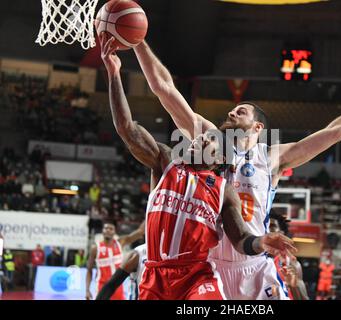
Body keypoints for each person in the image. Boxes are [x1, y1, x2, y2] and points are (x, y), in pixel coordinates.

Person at [132, 39, 341, 299]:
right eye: (232, 111)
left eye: (241, 111)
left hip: (254, 266)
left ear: (258, 127)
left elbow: (335, 131)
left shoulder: (272, 157)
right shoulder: (210, 139)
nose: (231, 113)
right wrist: (139, 42)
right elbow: (164, 89)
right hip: (209, 267)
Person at [100, 34, 296, 300]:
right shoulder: (167, 161)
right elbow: (127, 128)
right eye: (202, 136)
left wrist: (262, 241)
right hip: (155, 274)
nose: (201, 137)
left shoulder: (224, 190)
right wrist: (114, 73)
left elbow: (240, 239)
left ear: (219, 159)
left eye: (209, 140)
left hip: (197, 277)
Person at [85, 220, 145, 300]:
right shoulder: (95, 248)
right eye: (106, 228)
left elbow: (140, 232)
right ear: (102, 230)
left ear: (114, 231)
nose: (108, 230)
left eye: (111, 229)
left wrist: (149, 214)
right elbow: (89, 270)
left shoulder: (120, 243)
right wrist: (87, 290)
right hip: (102, 288)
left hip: (118, 288)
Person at [269, 211, 309, 300]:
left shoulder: (292, 264)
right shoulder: (249, 259)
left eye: (272, 226)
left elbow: (303, 299)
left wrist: (293, 286)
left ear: (281, 233)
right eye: (265, 225)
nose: (267, 229)